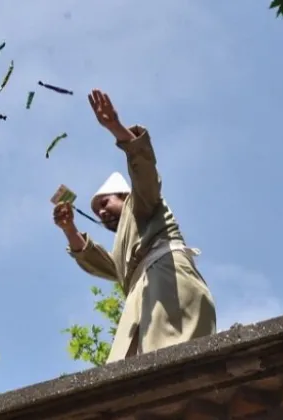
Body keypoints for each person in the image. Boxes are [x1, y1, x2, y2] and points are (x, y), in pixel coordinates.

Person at [53, 89, 217, 364]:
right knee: (127, 377)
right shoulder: (126, 252)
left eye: (105, 203)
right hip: (140, 297)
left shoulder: (142, 204)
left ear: (125, 196)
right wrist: (69, 229)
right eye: (96, 211)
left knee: (172, 362)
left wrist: (115, 127)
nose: (101, 211)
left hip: (166, 283)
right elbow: (104, 264)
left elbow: (144, 170)